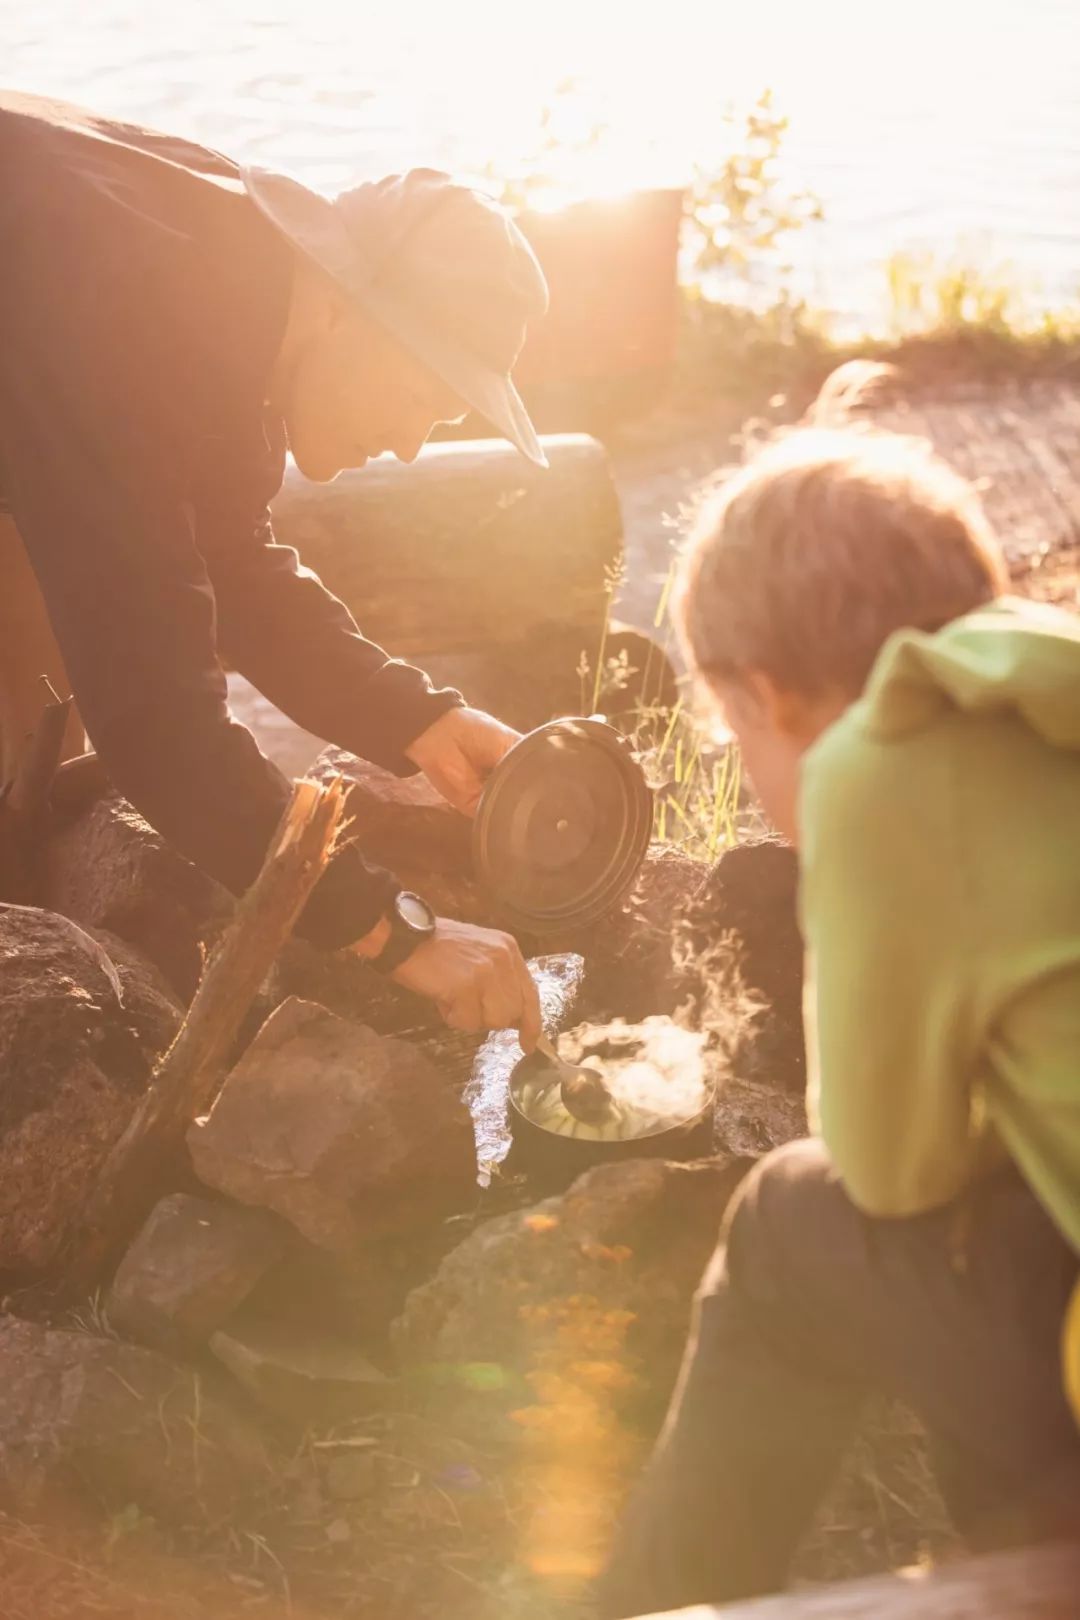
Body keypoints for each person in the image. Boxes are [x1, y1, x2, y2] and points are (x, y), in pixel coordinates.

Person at [599, 427, 1080, 1615]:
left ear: (768, 693)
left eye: (733, 734)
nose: (748, 767)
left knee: (788, 1216)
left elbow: (890, 1171)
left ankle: (659, 1604)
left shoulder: (883, 762)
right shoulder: (1048, 695)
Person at [0, 89, 549, 1043]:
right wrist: (391, 930)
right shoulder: (134, 318)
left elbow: (224, 561)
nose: (415, 446)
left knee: (55, 647)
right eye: (424, 394)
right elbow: (158, 718)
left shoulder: (238, 296)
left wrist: (415, 714)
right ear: (343, 305)